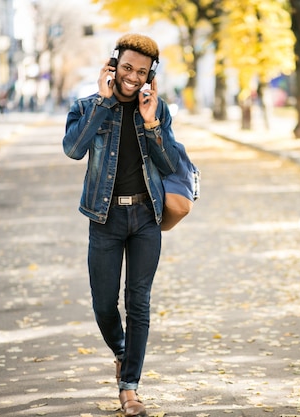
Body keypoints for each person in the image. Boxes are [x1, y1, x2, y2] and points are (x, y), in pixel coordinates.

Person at [62, 33, 180, 417]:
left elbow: (170, 165)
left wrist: (151, 124)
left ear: (150, 76)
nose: (132, 76)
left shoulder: (156, 111)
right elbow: (73, 149)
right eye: (127, 67)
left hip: (146, 217)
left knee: (139, 303)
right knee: (103, 303)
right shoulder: (88, 106)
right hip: (105, 218)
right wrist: (102, 100)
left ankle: (130, 389)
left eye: (141, 72)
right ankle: (124, 353)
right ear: (114, 65)